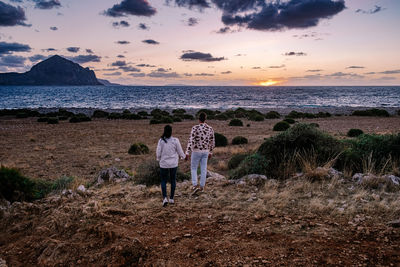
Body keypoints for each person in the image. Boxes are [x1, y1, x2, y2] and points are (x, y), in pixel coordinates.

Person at [156, 125, 186, 207]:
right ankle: (172, 198)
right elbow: (180, 151)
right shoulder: (175, 140)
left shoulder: (161, 141)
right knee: (173, 180)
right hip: (173, 163)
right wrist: (184, 157)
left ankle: (165, 198)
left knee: (163, 181)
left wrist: (158, 159)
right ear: (171, 131)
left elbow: (158, 152)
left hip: (164, 164)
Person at [185, 112, 215, 193]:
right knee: (203, 169)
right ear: (205, 119)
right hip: (206, 151)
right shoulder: (210, 128)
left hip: (196, 151)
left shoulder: (195, 128)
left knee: (194, 168)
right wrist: (211, 152)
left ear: (199, 119)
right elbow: (212, 142)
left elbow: (191, 140)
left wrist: (187, 152)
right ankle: (202, 186)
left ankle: (195, 185)